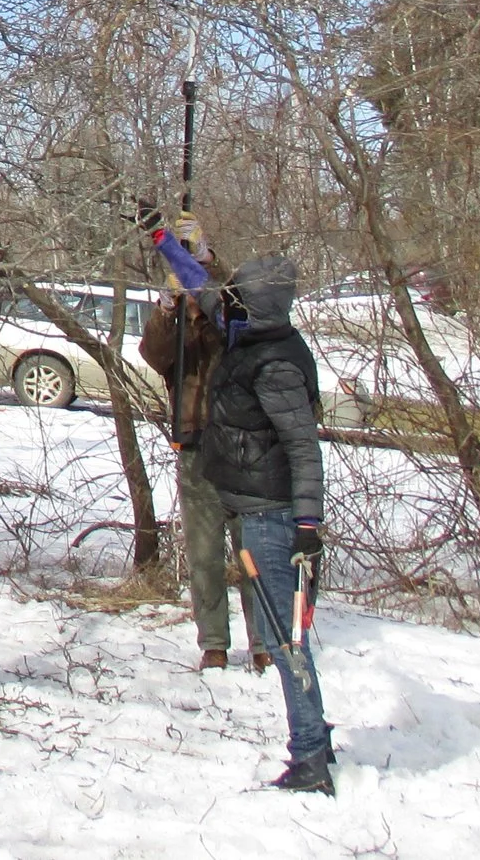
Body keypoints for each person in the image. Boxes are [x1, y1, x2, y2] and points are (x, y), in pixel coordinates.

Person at [155, 231, 335, 795]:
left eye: (240, 295)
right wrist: (163, 237)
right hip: (249, 504)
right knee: (287, 640)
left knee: (286, 641)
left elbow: (305, 449)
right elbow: (201, 283)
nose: (227, 299)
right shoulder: (249, 331)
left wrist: (308, 526)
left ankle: (310, 756)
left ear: (260, 303)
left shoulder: (277, 363)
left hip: (274, 516)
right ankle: (316, 739)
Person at [139, 210, 264, 672]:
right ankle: (214, 641)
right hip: (194, 449)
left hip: (241, 448)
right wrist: (168, 306)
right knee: (205, 553)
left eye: (196, 289)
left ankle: (263, 639)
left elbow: (244, 307)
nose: (194, 296)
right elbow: (153, 354)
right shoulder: (176, 331)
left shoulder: (229, 323)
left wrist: (207, 258)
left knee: (250, 548)